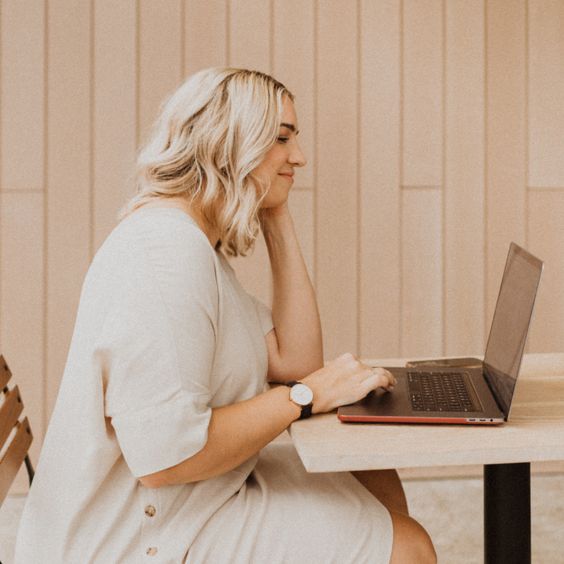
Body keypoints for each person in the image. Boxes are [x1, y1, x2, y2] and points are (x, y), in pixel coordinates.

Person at [15, 68, 436, 563]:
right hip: (133, 536)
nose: (298, 157)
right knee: (408, 548)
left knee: (372, 473)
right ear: (230, 144)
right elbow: (164, 457)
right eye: (281, 139)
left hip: (187, 499)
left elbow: (295, 358)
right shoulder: (164, 255)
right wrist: (306, 397)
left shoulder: (193, 242)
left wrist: (275, 211)